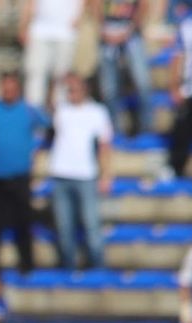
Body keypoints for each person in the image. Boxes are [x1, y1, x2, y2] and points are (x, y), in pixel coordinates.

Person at [0, 72, 49, 273]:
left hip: (20, 175)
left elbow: (49, 129)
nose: (8, 91)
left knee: (23, 221)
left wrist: (37, 151)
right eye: (5, 87)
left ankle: (27, 264)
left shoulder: (28, 110)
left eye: (11, 87)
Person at [47, 73, 113, 270]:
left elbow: (104, 146)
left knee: (92, 225)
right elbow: (49, 105)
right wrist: (57, 81)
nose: (72, 93)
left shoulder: (97, 112)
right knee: (64, 227)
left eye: (75, 89)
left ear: (85, 89)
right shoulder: (62, 110)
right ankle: (68, 268)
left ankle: (98, 267)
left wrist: (106, 174)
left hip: (86, 175)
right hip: (61, 174)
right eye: (69, 89)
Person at [98, 0, 152, 135]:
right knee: (109, 88)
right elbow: (95, 4)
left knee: (143, 84)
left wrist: (129, 29)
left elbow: (144, 5)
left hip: (131, 37)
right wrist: (101, 28)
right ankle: (115, 130)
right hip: (108, 37)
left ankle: (145, 128)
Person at [20, 0, 82, 108]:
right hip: (39, 31)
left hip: (66, 32)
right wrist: (24, 24)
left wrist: (79, 16)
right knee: (35, 74)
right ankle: (34, 113)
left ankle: (61, 112)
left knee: (62, 77)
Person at [167, 7, 192, 179]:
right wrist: (174, 86)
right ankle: (176, 168)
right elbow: (177, 56)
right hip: (190, 90)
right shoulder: (188, 26)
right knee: (182, 132)